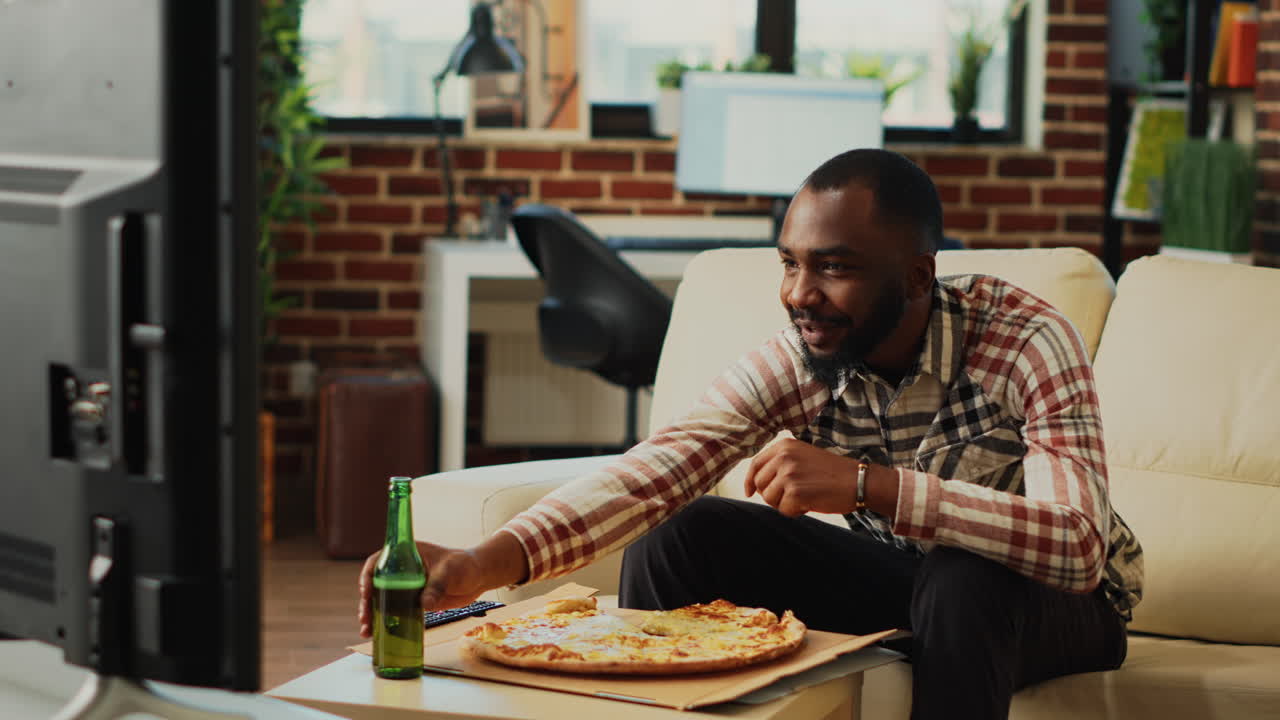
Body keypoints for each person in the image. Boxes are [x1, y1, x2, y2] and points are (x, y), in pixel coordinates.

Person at [357, 148, 1143, 720]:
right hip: (907, 581)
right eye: (791, 264)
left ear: (915, 277)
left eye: (833, 268)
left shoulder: (1027, 338)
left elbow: (1077, 546)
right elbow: (659, 469)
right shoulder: (806, 352)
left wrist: (872, 487)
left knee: (962, 578)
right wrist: (481, 565)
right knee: (683, 531)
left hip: (1062, 603)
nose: (801, 295)